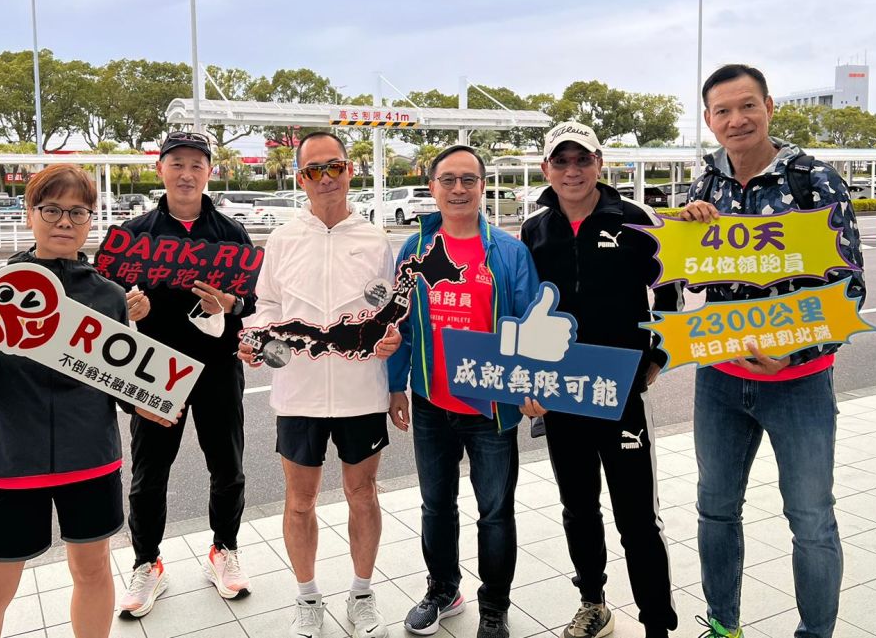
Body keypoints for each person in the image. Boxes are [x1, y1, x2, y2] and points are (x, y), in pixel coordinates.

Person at [0, 164, 172, 638]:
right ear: (30, 214)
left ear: (92, 219)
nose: (64, 222)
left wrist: (149, 403)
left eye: (78, 212)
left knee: (92, 573)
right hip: (13, 461)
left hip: (91, 459)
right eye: (52, 209)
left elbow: (120, 383)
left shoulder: (108, 295)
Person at [679, 64, 865, 638]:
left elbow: (850, 285)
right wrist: (688, 231)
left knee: (810, 519)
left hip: (801, 382)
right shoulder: (704, 181)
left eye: (747, 106)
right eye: (723, 111)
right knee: (715, 509)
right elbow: (687, 279)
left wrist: (798, 351)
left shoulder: (814, 179)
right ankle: (724, 625)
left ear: (769, 107)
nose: (736, 120)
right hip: (719, 376)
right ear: (709, 120)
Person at [518, 121, 680, 638]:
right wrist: (530, 378)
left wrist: (658, 356)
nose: (572, 171)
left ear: (599, 163)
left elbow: (671, 291)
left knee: (637, 517)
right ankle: (593, 602)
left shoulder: (636, 220)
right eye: (561, 161)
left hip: (621, 392)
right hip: (564, 393)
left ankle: (658, 620)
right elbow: (524, 308)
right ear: (546, 169)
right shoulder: (534, 229)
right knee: (578, 507)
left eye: (582, 160)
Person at [238, 131, 401, 638]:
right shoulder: (283, 240)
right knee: (299, 500)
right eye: (314, 171)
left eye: (334, 167)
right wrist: (261, 345)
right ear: (300, 179)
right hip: (299, 393)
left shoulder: (375, 240)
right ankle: (308, 596)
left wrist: (392, 343)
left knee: (363, 493)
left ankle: (362, 590)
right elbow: (266, 310)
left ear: (351, 170)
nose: (325, 179)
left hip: (361, 392)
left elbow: (391, 310)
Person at [388, 145, 539, 638]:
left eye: (468, 180)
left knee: (495, 512)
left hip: (492, 407)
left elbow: (530, 325)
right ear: (432, 187)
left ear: (481, 187)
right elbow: (402, 324)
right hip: (432, 402)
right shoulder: (415, 251)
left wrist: (532, 385)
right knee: (436, 505)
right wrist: (397, 387)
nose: (458, 189)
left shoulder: (508, 251)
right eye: (448, 180)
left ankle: (494, 606)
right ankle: (443, 589)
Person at [118, 131, 257, 617]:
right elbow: (101, 305)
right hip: (153, 371)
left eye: (197, 164)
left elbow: (254, 301)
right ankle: (146, 562)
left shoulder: (231, 233)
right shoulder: (133, 233)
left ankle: (225, 548)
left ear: (208, 173)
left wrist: (231, 303)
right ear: (160, 169)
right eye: (177, 163)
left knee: (227, 465)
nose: (186, 173)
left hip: (218, 367)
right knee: (149, 473)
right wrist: (127, 308)